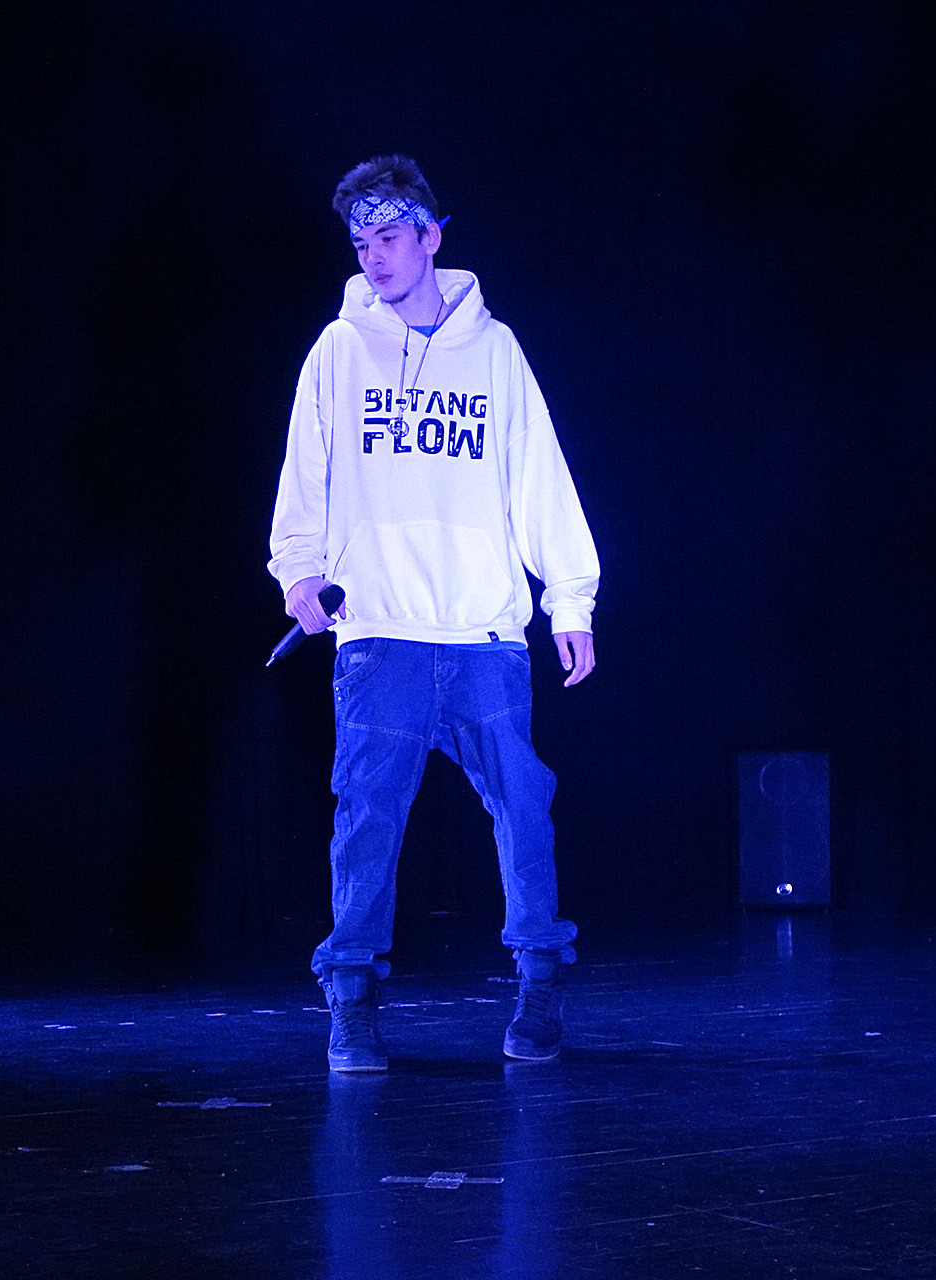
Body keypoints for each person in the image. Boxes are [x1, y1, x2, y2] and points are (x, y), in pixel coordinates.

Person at [268, 155, 600, 1071]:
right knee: (367, 819)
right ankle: (350, 1002)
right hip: (380, 632)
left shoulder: (494, 352)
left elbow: (539, 475)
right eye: (360, 243)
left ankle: (539, 988)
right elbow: (304, 474)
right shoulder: (340, 351)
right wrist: (299, 574)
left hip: (484, 630)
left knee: (523, 808)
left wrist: (569, 598)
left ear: (431, 236)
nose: (374, 256)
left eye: (389, 236)